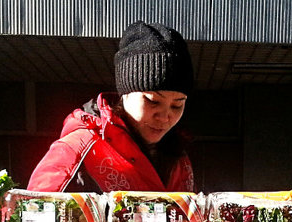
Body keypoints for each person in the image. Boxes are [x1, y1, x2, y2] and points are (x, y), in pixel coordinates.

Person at [28, 21, 195, 193]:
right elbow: (31, 211)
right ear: (125, 93)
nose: (165, 117)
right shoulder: (79, 148)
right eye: (153, 101)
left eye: (177, 105)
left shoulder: (177, 154)